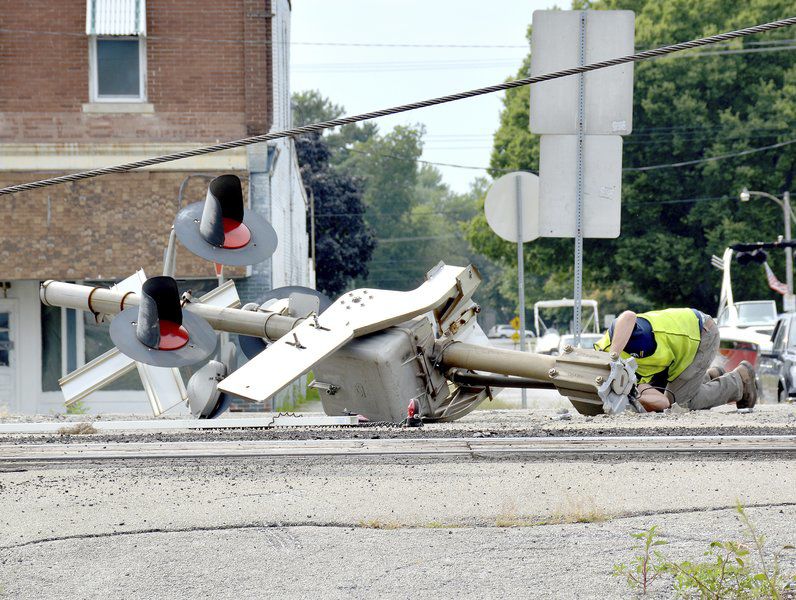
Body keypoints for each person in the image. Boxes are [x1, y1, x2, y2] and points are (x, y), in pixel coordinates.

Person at [594, 308, 757, 412]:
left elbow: (628, 316)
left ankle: (739, 381)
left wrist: (613, 360)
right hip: (687, 337)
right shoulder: (605, 353)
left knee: (682, 403)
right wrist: (629, 395)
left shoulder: (633, 341)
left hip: (701, 336)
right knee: (666, 400)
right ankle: (710, 377)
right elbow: (661, 400)